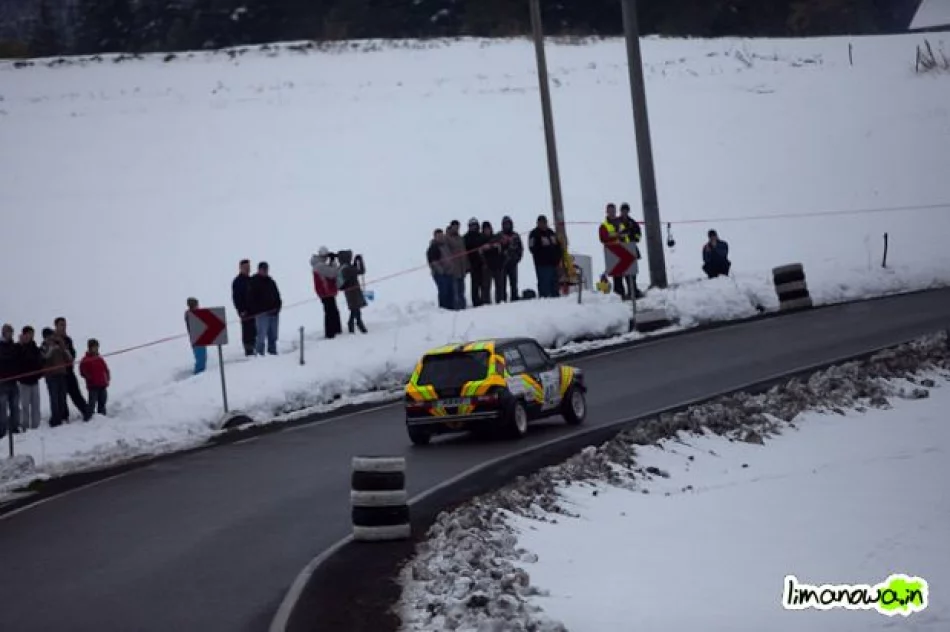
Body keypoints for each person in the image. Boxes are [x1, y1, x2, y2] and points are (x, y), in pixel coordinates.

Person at [54, 317, 90, 420]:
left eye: (65, 325)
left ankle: (87, 412)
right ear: (56, 326)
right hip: (58, 373)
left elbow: (73, 353)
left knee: (76, 393)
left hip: (69, 371)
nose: (64, 327)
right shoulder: (53, 339)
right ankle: (63, 417)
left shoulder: (68, 339)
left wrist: (69, 353)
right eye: (61, 325)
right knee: (61, 396)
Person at [246, 262, 282, 354]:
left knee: (273, 336)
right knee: (261, 336)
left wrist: (278, 306)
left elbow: (277, 295)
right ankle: (259, 354)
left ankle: (272, 352)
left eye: (266, 269)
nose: (265, 271)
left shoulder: (271, 281)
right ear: (259, 270)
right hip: (262, 314)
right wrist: (258, 310)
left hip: (274, 313)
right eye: (263, 269)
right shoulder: (253, 281)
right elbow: (250, 298)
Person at [598, 203, 631, 299]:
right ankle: (619, 296)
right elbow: (603, 238)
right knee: (617, 277)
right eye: (610, 211)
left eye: (613, 211)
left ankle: (631, 294)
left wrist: (624, 238)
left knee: (628, 275)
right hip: (612, 252)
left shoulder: (621, 224)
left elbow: (626, 235)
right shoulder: (604, 225)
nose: (612, 213)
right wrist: (617, 235)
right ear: (607, 212)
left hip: (625, 251)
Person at [40, 327, 71, 427]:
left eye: (52, 335)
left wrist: (63, 347)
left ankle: (62, 416)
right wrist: (51, 348)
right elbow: (45, 358)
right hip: (51, 376)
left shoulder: (59, 346)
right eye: (49, 336)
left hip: (62, 374)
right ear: (45, 337)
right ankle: (55, 419)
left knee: (62, 397)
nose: (52, 337)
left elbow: (69, 358)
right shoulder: (43, 347)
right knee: (54, 398)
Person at [311, 247, 343, 339]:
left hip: (326, 292)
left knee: (332, 311)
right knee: (330, 312)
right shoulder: (319, 266)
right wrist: (333, 262)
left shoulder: (319, 264)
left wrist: (331, 262)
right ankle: (330, 333)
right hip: (326, 292)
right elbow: (333, 273)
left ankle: (335, 330)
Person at [528, 214, 562, 298]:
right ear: (538, 223)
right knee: (545, 287)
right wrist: (542, 249)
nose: (543, 224)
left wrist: (558, 258)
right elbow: (532, 248)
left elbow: (558, 246)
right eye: (541, 223)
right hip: (542, 265)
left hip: (554, 264)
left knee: (555, 287)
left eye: (544, 222)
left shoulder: (551, 233)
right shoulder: (534, 234)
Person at [17, 326, 44, 430]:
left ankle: (36, 426)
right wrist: (21, 345)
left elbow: (39, 361)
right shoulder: (18, 347)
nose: (30, 336)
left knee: (36, 405)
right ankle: (25, 426)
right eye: (28, 334)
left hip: (34, 380)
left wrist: (40, 373)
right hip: (24, 382)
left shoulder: (35, 347)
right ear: (24, 335)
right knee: (25, 405)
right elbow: (19, 361)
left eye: (32, 334)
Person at [337, 250, 368, 334]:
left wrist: (355, 262)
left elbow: (353, 272)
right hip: (354, 291)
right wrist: (360, 261)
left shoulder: (342, 267)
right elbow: (361, 271)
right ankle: (357, 324)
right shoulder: (348, 268)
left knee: (354, 309)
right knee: (355, 308)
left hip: (349, 292)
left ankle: (355, 324)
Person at [619, 203, 644, 299]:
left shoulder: (633, 223)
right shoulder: (617, 222)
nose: (624, 212)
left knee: (632, 273)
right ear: (621, 211)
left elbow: (638, 236)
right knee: (624, 273)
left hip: (632, 249)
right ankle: (627, 292)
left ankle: (633, 290)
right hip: (621, 250)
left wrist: (631, 235)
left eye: (626, 210)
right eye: (623, 210)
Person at [232, 259, 256, 357]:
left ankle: (255, 349)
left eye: (249, 267)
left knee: (255, 330)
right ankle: (248, 351)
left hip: (254, 311)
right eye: (245, 267)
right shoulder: (237, 281)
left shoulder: (251, 280)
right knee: (247, 331)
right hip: (245, 312)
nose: (248, 269)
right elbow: (236, 298)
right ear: (241, 268)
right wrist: (241, 310)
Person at [79, 338, 110, 416]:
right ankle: (89, 417)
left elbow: (105, 369)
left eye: (97, 347)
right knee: (92, 404)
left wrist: (107, 377)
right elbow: (82, 371)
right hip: (93, 385)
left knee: (102, 402)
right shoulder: (85, 359)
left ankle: (102, 416)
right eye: (94, 347)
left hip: (102, 384)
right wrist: (88, 376)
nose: (96, 349)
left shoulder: (100, 359)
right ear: (89, 348)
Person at [0, 323, 21, 437]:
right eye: (9, 332)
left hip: (13, 381)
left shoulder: (14, 346)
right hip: (2, 382)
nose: (10, 334)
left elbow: (18, 359)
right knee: (2, 408)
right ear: (4, 333)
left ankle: (14, 428)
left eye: (11, 332)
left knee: (15, 406)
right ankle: (2, 431)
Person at [463, 218, 487, 307]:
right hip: (472, 263)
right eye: (472, 226)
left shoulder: (481, 236)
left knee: (484, 283)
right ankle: (476, 301)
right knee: (475, 284)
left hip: (482, 263)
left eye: (475, 225)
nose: (473, 227)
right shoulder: (466, 237)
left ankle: (484, 299)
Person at [427, 228, 454, 310]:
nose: (440, 238)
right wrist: (441, 271)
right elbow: (433, 262)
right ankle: (443, 309)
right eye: (438, 236)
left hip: (449, 272)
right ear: (435, 237)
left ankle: (451, 308)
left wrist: (450, 268)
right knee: (443, 291)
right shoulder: (433, 247)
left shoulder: (445, 246)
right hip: (440, 274)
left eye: (441, 236)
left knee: (450, 291)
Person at [498, 215, 523, 302]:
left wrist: (517, 258)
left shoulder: (515, 235)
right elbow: (495, 248)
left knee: (514, 282)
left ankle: (514, 297)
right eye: (505, 224)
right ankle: (503, 298)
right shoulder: (499, 235)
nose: (507, 226)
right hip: (503, 263)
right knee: (502, 283)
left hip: (513, 262)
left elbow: (520, 248)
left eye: (508, 224)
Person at [479, 221, 505, 304]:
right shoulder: (481, 240)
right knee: (486, 286)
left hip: (497, 265)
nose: (487, 231)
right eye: (485, 229)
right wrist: (482, 249)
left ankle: (500, 301)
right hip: (487, 266)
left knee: (499, 285)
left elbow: (501, 249)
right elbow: (479, 253)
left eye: (488, 229)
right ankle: (486, 302)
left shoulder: (496, 237)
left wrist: (497, 246)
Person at [445, 220, 468, 310]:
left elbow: (464, 251)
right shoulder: (447, 238)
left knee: (461, 289)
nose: (456, 229)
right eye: (454, 227)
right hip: (453, 268)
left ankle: (463, 306)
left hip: (461, 268)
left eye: (458, 227)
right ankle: (456, 307)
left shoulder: (460, 238)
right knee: (455, 290)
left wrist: (466, 265)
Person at [184, 297, 208, 373]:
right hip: (196, 338)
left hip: (199, 338)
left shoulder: (192, 314)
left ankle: (200, 371)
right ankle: (198, 372)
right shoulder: (191, 314)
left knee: (202, 357)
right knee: (200, 358)